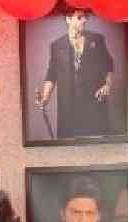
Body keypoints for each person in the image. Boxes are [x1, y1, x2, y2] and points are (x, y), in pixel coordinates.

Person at [35, 7, 115, 139]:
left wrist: (107, 85)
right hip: (68, 108)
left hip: (94, 104)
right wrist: (45, 98)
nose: (84, 20)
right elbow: (52, 74)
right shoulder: (56, 45)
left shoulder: (97, 40)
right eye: (79, 17)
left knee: (97, 147)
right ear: (68, 19)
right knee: (69, 148)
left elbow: (108, 65)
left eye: (85, 17)